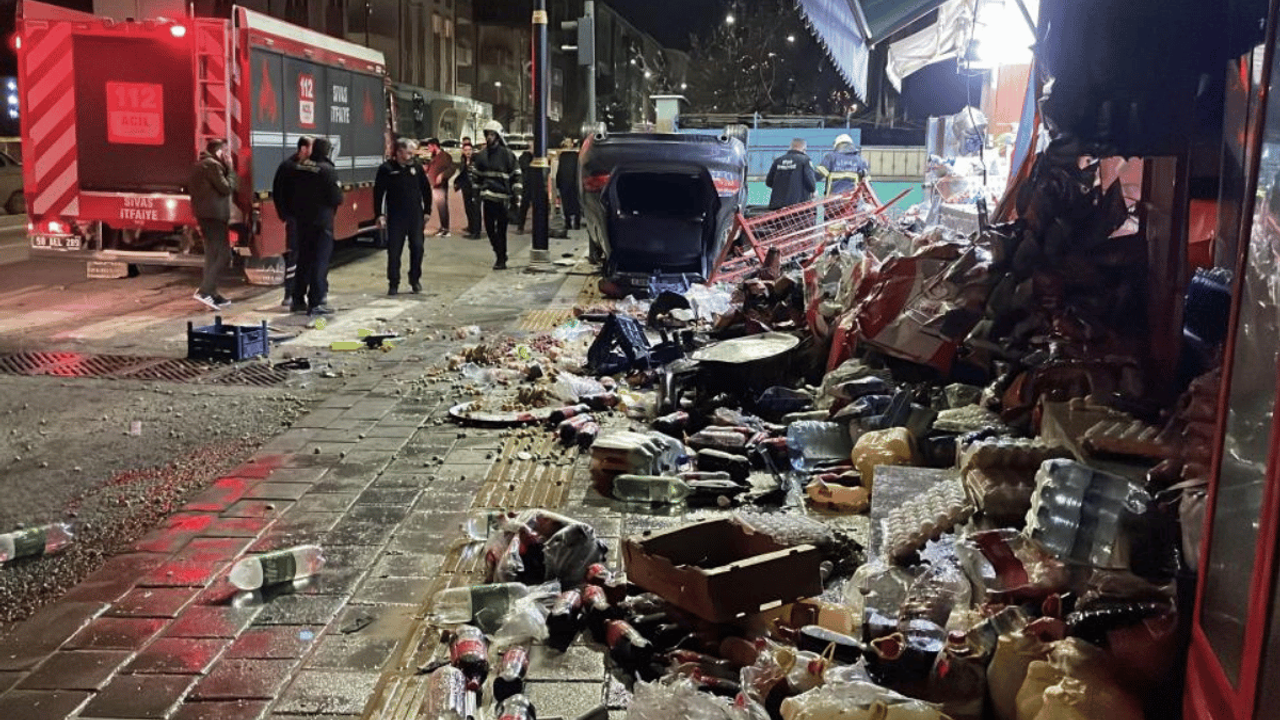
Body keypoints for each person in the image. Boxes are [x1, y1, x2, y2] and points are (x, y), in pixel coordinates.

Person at [290, 137, 343, 316]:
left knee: (303, 260)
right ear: (327, 151)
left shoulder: (300, 167)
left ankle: (297, 300)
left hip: (302, 220)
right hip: (322, 222)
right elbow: (337, 198)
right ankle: (316, 302)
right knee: (320, 261)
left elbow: (292, 192)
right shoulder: (327, 170)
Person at [375, 137, 432, 295]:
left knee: (418, 248)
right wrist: (379, 214)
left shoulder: (416, 168)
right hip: (396, 217)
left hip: (415, 216)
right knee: (394, 251)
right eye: (408, 153)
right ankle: (393, 283)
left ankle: (415, 279)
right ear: (399, 152)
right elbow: (379, 194)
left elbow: (426, 190)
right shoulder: (387, 169)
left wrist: (427, 211)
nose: (411, 156)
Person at [188, 139, 238, 310]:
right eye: (225, 151)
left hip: (205, 215)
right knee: (224, 255)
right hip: (215, 216)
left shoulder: (199, 165)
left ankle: (212, 293)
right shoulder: (212, 166)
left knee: (211, 255)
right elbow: (226, 188)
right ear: (219, 152)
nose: (228, 155)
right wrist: (230, 169)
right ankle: (205, 290)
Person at [471, 120, 521, 270]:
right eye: (488, 134)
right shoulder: (481, 156)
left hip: (503, 199)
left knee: (501, 231)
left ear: (498, 136)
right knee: (489, 229)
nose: (489, 137)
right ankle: (500, 253)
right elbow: (476, 178)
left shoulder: (507, 155)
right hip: (488, 198)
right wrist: (475, 197)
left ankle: (501, 258)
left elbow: (516, 176)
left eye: (492, 134)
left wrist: (516, 196)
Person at [272, 136, 311, 306]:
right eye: (311, 148)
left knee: (306, 255)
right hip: (295, 218)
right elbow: (278, 191)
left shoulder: (309, 166)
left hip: (307, 218)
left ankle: (302, 293)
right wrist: (285, 214)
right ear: (303, 149)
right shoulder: (288, 167)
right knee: (294, 255)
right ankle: (289, 293)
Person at [765, 138, 816, 209]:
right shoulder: (805, 160)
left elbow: (769, 182)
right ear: (804, 149)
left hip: (777, 207)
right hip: (797, 207)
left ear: (790, 147)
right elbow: (811, 185)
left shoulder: (778, 160)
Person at [424, 137, 454, 237]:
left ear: (435, 146)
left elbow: (451, 168)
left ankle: (446, 229)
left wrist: (442, 175)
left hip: (441, 185)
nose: (428, 149)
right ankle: (443, 227)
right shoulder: (434, 156)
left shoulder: (445, 156)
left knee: (443, 207)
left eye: (429, 146)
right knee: (440, 207)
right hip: (435, 185)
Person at [454, 139, 482, 239]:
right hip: (466, 187)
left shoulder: (477, 159)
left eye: (469, 150)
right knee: (468, 208)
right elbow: (462, 172)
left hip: (475, 187)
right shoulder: (463, 159)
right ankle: (471, 227)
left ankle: (476, 232)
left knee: (475, 209)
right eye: (466, 150)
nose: (468, 152)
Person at [554, 138, 581, 230]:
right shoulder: (565, 155)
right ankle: (570, 222)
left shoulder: (574, 155)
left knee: (573, 203)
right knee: (568, 203)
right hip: (567, 182)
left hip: (571, 182)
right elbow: (560, 169)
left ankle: (574, 222)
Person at [515, 146, 535, 233]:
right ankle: (521, 226)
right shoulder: (526, 157)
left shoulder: (525, 157)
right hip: (528, 184)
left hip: (528, 184)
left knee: (525, 206)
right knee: (525, 206)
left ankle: (521, 226)